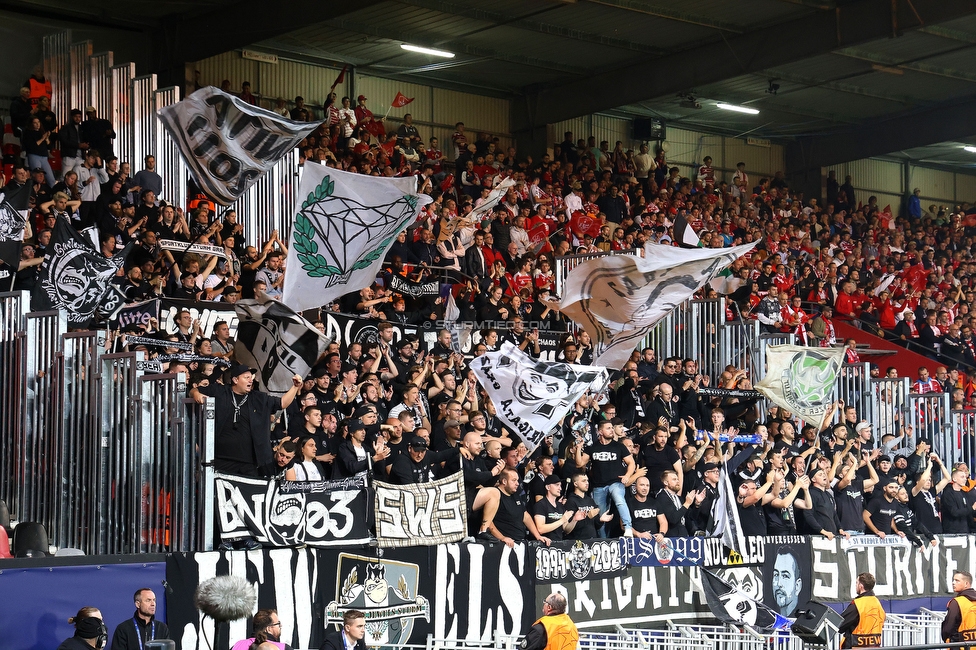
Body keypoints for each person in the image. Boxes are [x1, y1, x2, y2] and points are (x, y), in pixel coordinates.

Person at [838, 573, 885, 648]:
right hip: (874, 647)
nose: (856, 585)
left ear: (861, 586)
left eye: (857, 582)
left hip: (855, 647)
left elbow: (840, 624)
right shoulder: (877, 603)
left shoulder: (858, 604)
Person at [944, 571, 976, 645]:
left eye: (957, 580)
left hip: (960, 645)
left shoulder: (957, 602)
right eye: (953, 580)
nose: (953, 583)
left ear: (966, 584)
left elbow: (948, 628)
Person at [770, 548, 802, 618]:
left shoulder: (804, 619)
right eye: (776, 575)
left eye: (785, 576)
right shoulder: (768, 618)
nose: (779, 583)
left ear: (797, 586)